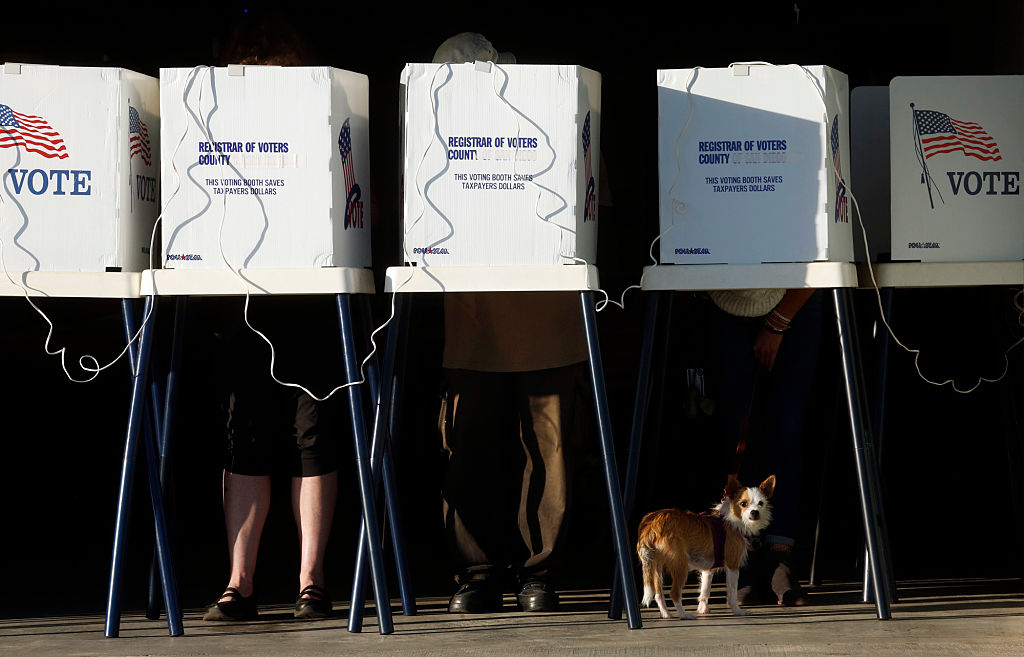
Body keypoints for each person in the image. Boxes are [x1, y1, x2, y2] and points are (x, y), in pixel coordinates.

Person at [432, 32, 591, 613]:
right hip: (472, 308)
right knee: (469, 448)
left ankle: (536, 575)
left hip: (544, 302)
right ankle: (475, 573)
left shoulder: (545, 109)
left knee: (547, 452)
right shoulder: (435, 121)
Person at [201, 14, 338, 622]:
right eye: (249, 76)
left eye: (274, 75)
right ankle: (241, 581)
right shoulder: (215, 124)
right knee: (244, 438)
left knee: (312, 437)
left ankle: (311, 579)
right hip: (240, 295)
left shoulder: (322, 114)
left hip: (308, 291)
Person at [706, 286, 823, 606]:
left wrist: (778, 322)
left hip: (797, 298)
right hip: (735, 299)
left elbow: (820, 257)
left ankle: (779, 556)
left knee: (786, 428)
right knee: (739, 431)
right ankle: (746, 553)